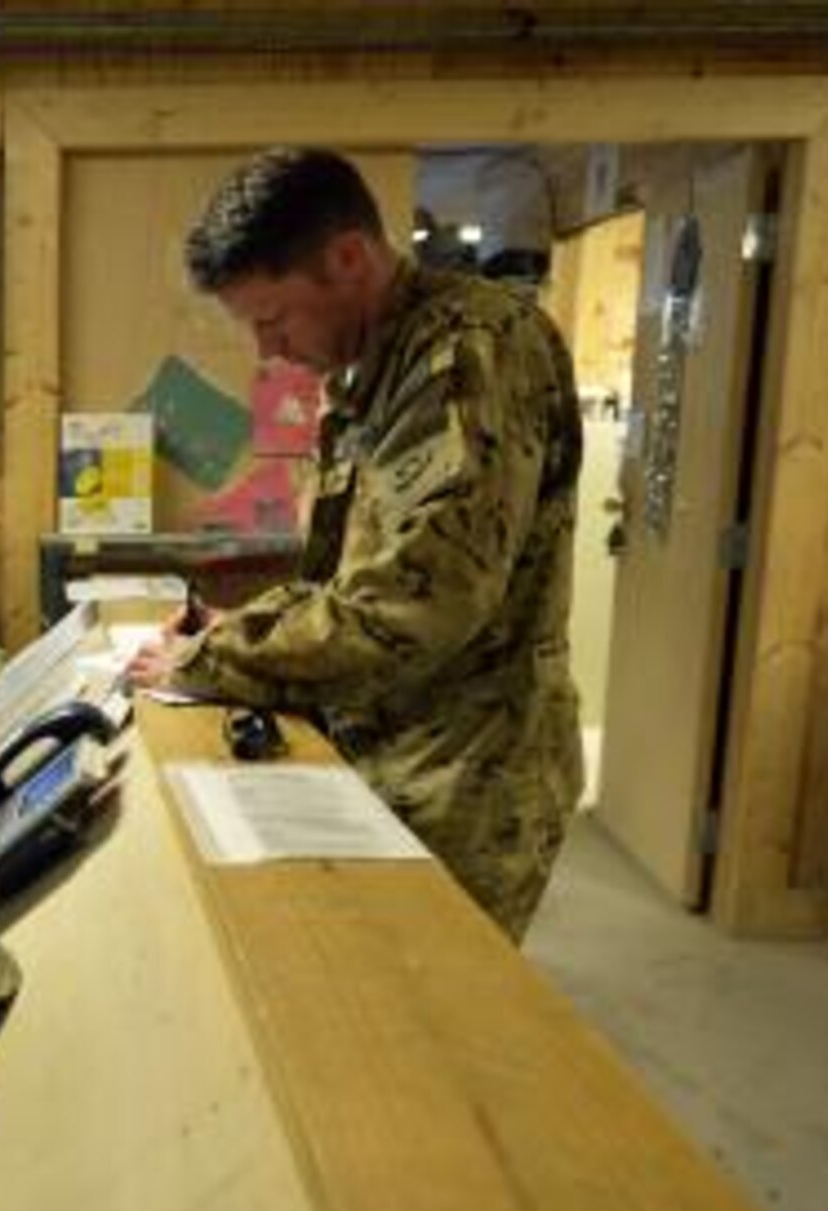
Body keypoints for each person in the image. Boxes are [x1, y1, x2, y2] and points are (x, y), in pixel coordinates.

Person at [128, 148, 583, 941]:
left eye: (274, 320)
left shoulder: (466, 355)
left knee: (416, 1030)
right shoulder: (375, 364)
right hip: (386, 752)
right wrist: (222, 626)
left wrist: (213, 661)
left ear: (347, 258)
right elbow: (342, 568)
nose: (269, 353)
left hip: (460, 780)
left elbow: (415, 602)